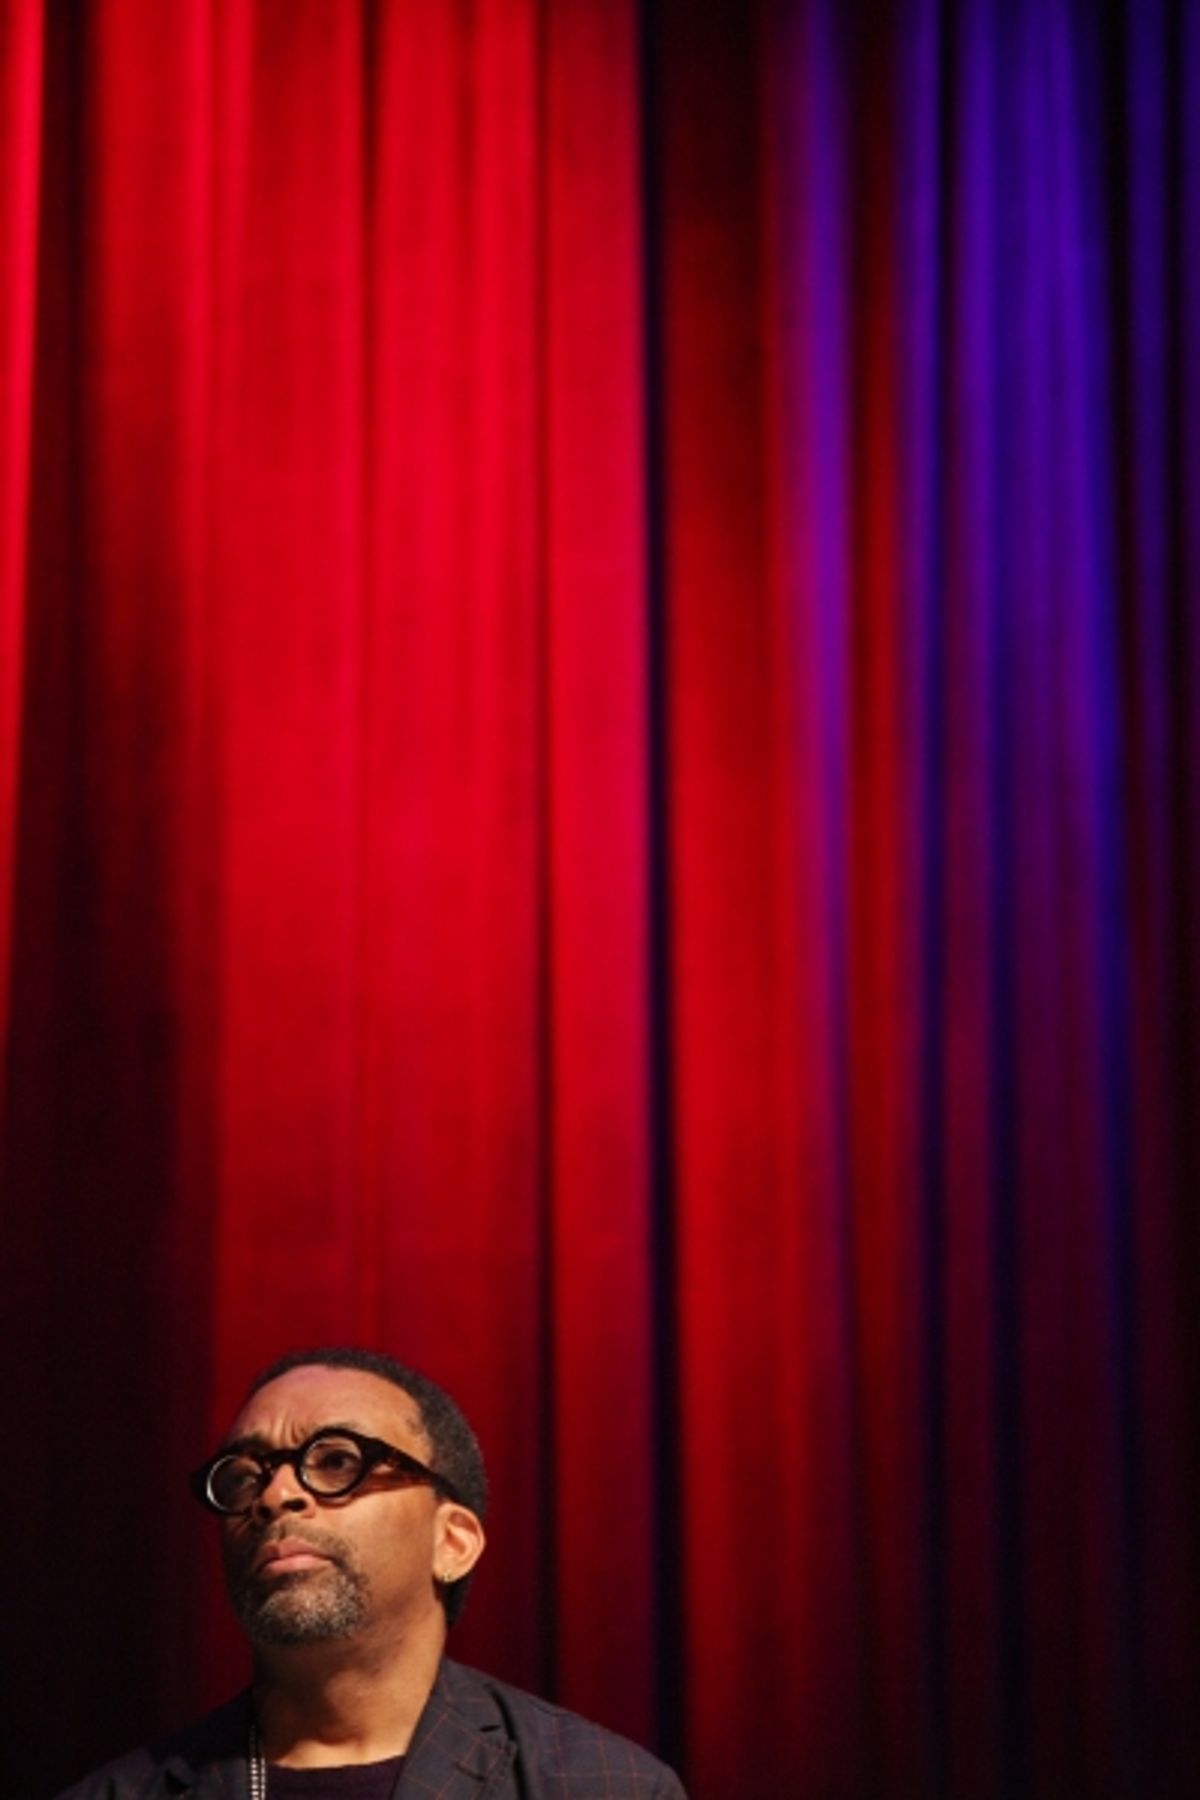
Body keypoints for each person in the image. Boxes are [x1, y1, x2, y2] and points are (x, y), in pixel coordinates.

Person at [56, 1345, 686, 1799]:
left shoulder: (598, 1784)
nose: (275, 1495)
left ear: (453, 1543)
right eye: (245, 1476)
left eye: (336, 1461)